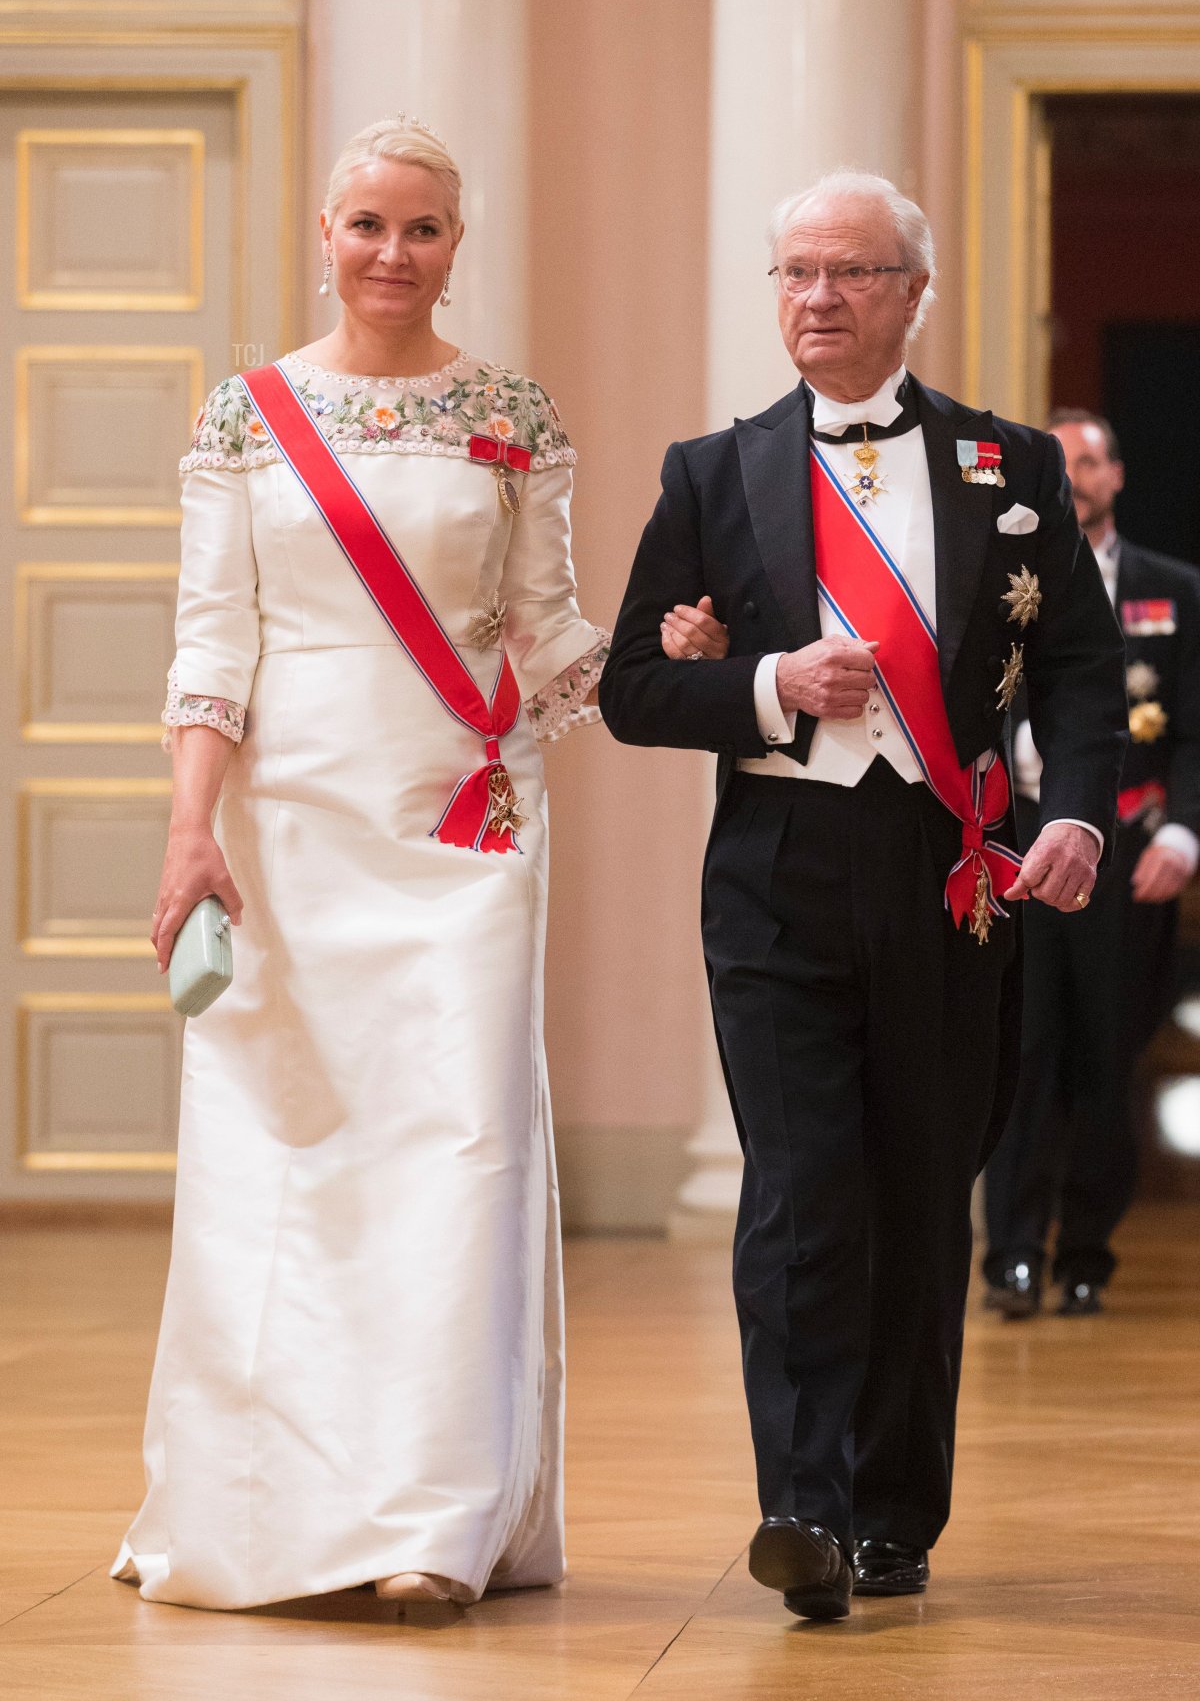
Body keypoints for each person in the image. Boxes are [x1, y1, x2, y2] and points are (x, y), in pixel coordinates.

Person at [600, 172, 1126, 1620]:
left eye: (849, 271)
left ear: (912, 291)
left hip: (956, 878)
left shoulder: (1008, 465)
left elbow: (1080, 667)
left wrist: (1075, 808)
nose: (815, 296)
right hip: (778, 881)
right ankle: (803, 1508)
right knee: (800, 1193)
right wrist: (767, 682)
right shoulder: (714, 474)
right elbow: (635, 690)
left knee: (917, 1195)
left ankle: (896, 1509)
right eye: (792, 272)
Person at [112, 117, 611, 1613]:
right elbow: (214, 642)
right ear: (324, 234)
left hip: (465, 824)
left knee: (459, 1149)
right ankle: (264, 1504)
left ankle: (428, 1527)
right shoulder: (245, 418)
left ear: (463, 243)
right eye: (368, 225)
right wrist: (193, 825)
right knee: (285, 1159)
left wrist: (685, 661)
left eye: (426, 229)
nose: (395, 254)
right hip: (284, 828)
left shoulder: (511, 410)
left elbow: (551, 631)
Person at [984, 410, 1200, 1318]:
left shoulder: (1173, 590)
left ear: (1116, 476)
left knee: (1104, 1059)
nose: (1078, 472)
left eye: (1093, 458)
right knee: (1020, 1054)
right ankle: (1014, 1258)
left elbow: (1192, 732)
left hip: (1129, 853)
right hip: (1020, 846)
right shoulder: (999, 582)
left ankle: (1085, 1256)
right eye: (1062, 457)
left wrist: (1183, 834)